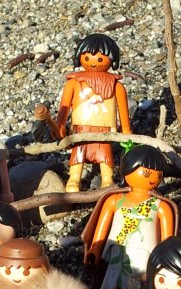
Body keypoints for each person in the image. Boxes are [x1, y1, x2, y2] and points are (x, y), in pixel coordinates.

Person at [81, 145, 176, 289]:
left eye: (158, 174)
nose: (153, 178)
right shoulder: (115, 200)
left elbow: (168, 237)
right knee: (111, 280)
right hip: (118, 248)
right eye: (146, 173)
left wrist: (166, 259)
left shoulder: (161, 206)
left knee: (139, 283)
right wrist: (95, 248)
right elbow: (102, 227)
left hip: (145, 252)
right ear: (127, 170)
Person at [55, 33, 131, 192]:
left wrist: (126, 130)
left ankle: (107, 179)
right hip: (81, 127)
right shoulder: (73, 83)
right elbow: (65, 105)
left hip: (104, 128)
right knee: (78, 151)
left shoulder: (116, 85)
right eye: (87, 58)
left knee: (105, 153)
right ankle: (74, 178)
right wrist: (60, 123)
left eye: (101, 59)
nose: (94, 62)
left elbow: (123, 108)